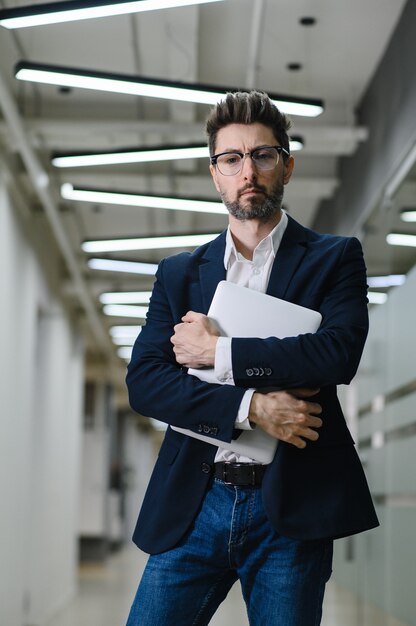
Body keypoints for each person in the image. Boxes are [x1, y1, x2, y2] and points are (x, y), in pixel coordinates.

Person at [125, 91, 379, 626]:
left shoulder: (334, 259)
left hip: (290, 504)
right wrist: (251, 409)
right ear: (215, 173)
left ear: (287, 164)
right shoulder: (178, 273)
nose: (248, 171)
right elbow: (147, 383)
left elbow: (335, 355)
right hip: (193, 500)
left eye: (263, 155)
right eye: (232, 159)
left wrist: (218, 352)